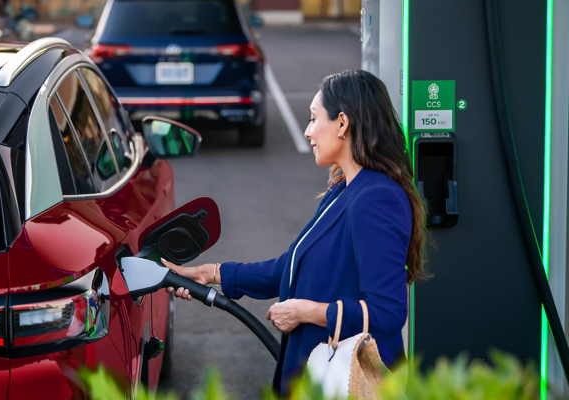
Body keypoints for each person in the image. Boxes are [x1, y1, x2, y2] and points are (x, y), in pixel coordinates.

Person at [162, 70, 428, 394]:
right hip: (323, 372)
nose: (307, 131)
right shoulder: (344, 189)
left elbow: (387, 312)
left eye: (314, 118)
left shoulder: (377, 198)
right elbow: (291, 267)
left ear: (343, 124)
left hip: (348, 382)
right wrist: (212, 273)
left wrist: (307, 312)